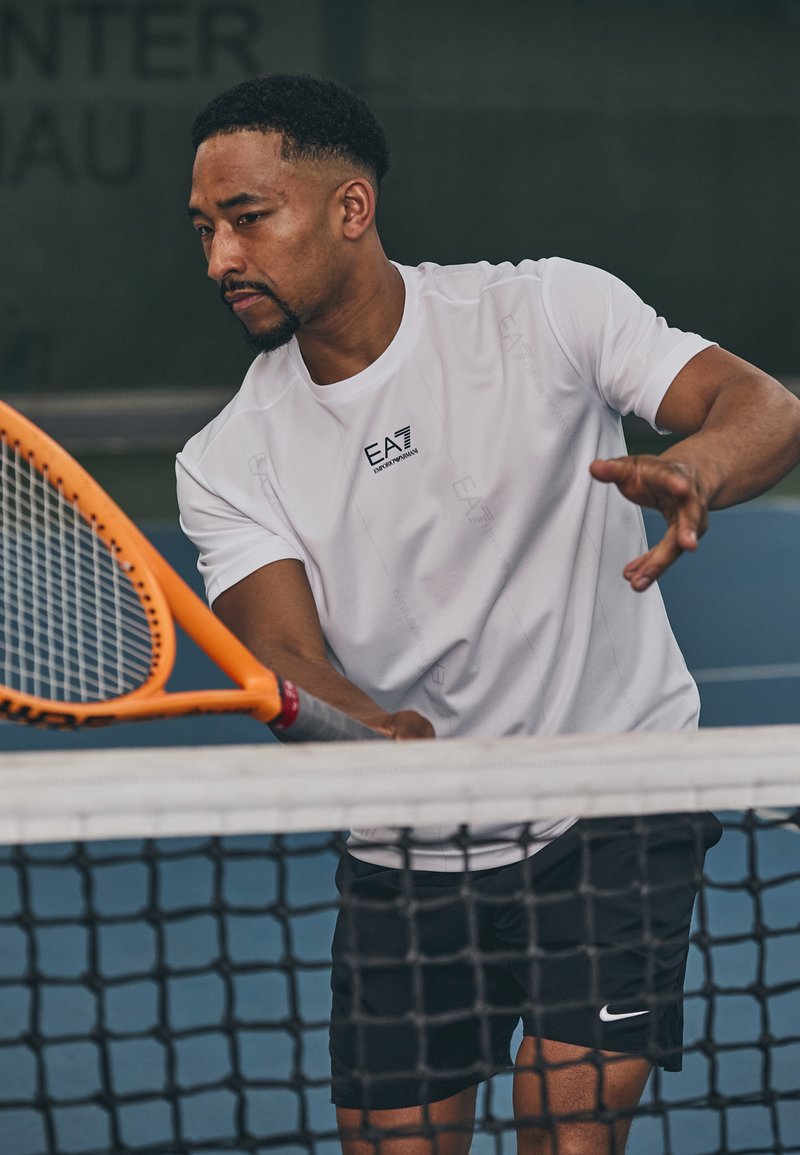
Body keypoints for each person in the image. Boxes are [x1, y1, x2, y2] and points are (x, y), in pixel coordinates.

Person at [177, 74, 800, 1155]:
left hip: (615, 802)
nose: (222, 259)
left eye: (247, 220)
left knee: (565, 1129)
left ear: (349, 210)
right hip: (408, 852)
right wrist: (371, 728)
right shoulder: (225, 459)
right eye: (204, 230)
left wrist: (694, 467)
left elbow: (763, 408)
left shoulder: (547, 310)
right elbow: (278, 648)